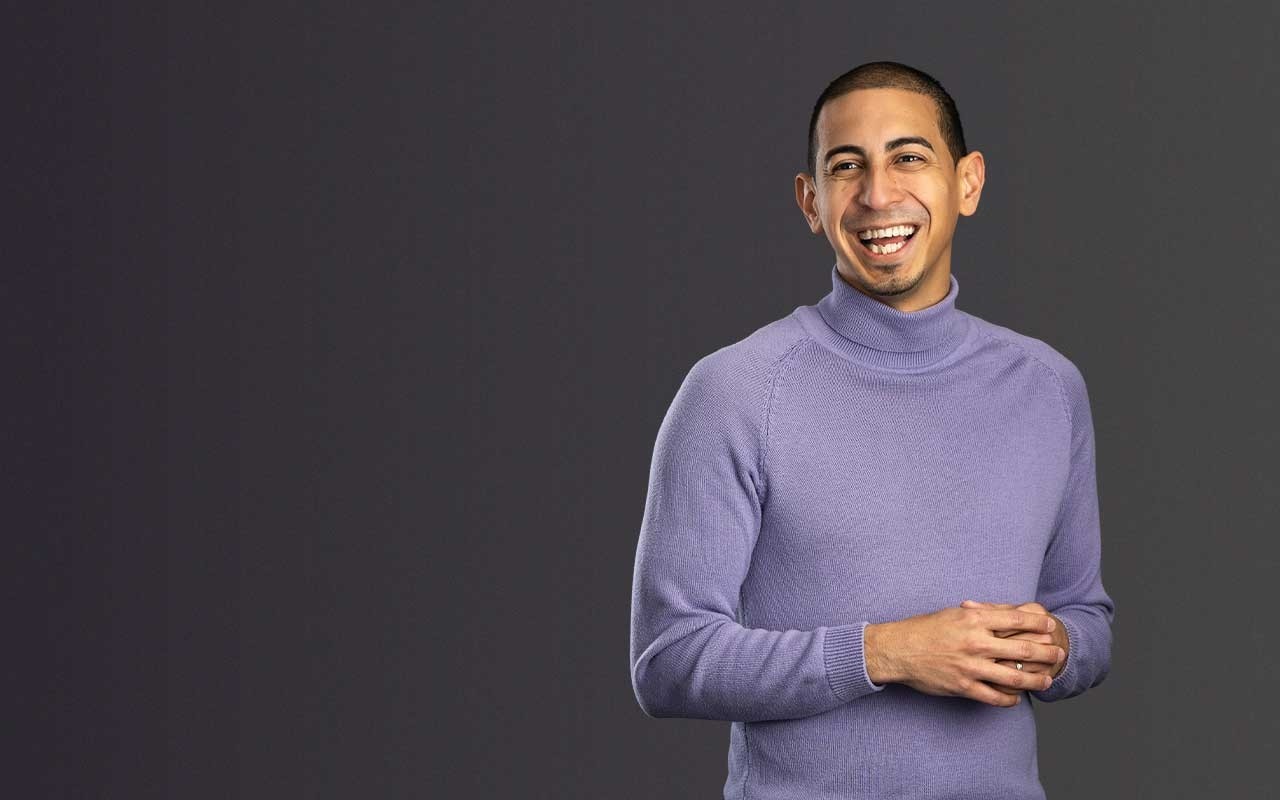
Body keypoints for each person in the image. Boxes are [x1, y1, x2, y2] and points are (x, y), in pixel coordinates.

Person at [628, 61, 1114, 799]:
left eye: (909, 158)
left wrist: (1062, 648)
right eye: (846, 166)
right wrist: (887, 653)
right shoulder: (736, 390)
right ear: (812, 201)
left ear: (969, 182)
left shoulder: (1048, 387)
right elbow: (667, 660)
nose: (879, 194)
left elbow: (1087, 616)